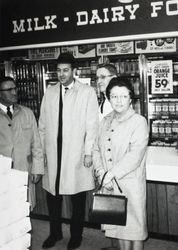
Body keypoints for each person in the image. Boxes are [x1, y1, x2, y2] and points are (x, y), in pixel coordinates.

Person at [38, 52, 99, 249]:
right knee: (52, 197)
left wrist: (88, 152)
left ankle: (76, 236)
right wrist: (42, 152)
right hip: (53, 154)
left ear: (74, 71)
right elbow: (43, 124)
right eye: (59, 70)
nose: (61, 74)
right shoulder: (50, 92)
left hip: (75, 153)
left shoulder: (87, 92)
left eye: (66, 70)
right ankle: (55, 233)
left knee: (77, 198)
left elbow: (92, 126)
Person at [93, 77, 148, 250]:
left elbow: (135, 155)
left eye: (123, 96)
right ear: (108, 98)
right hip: (109, 184)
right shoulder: (105, 121)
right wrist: (101, 173)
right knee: (118, 228)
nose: (119, 101)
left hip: (130, 184)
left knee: (135, 229)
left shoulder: (139, 122)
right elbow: (96, 149)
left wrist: (110, 174)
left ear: (130, 98)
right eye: (114, 96)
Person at [0, 76, 44, 210]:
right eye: (9, 89)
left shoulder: (27, 113)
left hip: (23, 170)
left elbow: (36, 144)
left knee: (23, 210)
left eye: (15, 88)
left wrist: (37, 168)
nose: (14, 92)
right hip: (2, 174)